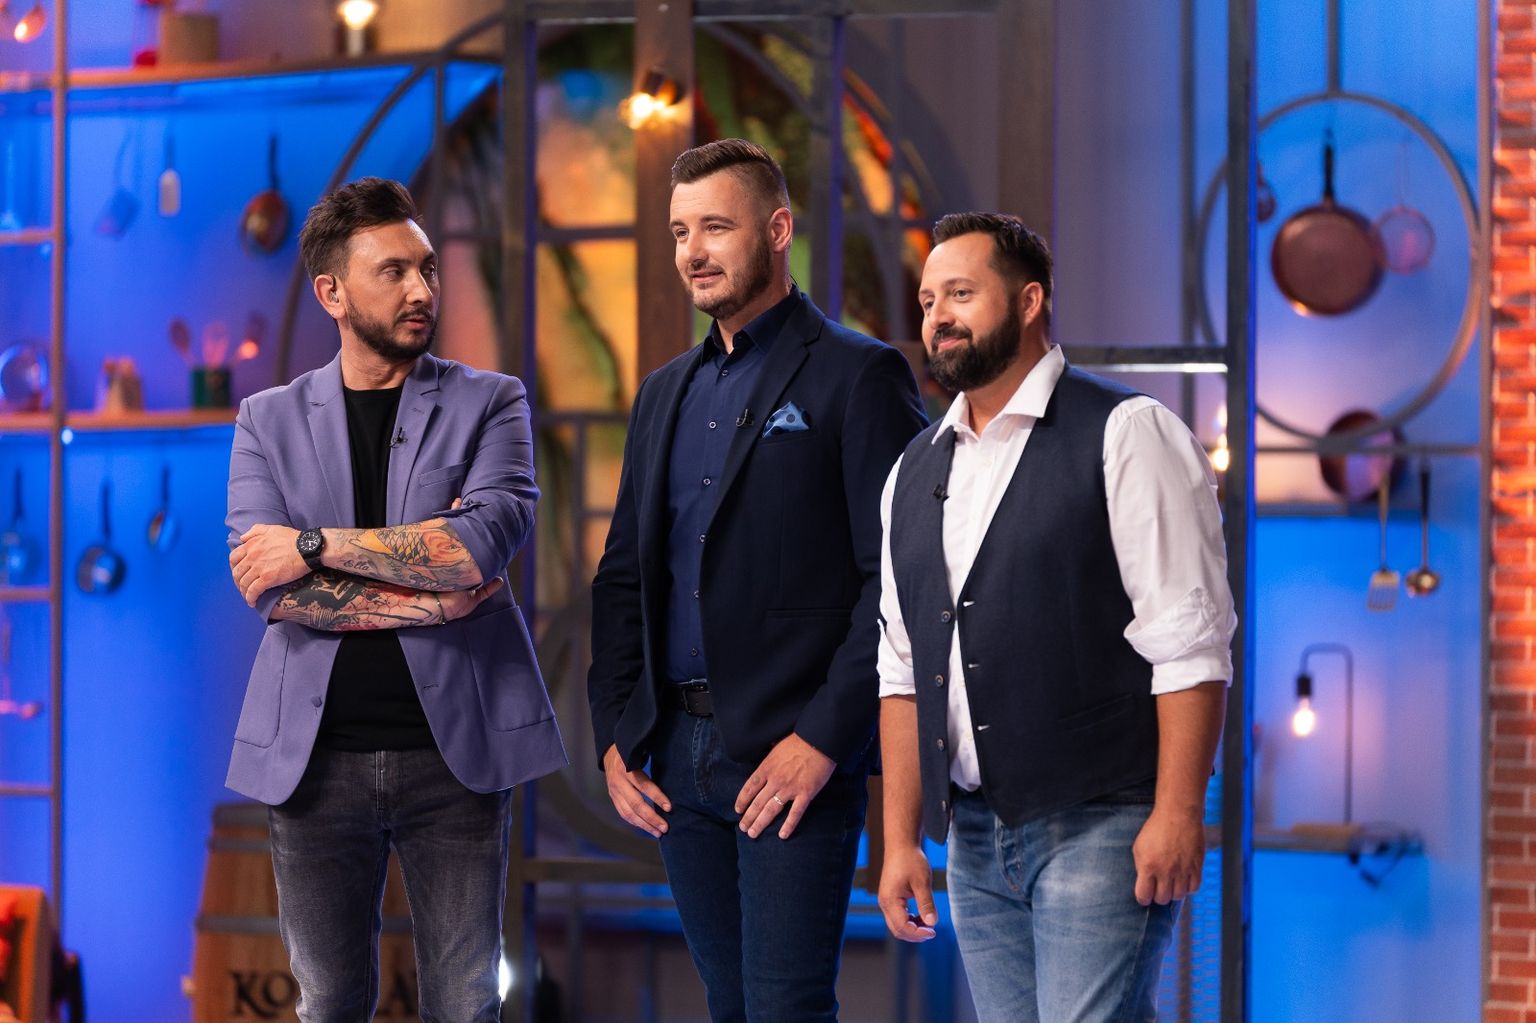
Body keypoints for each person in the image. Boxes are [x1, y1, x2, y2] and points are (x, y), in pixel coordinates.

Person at [587, 138, 926, 1022]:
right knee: (729, 1006)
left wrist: (824, 739)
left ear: (777, 231)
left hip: (791, 754)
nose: (692, 252)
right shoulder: (662, 392)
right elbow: (622, 577)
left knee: (785, 1009)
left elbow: (897, 584)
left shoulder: (860, 374)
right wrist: (615, 735)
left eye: (715, 227)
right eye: (679, 232)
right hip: (675, 757)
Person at [875, 212, 1235, 1022]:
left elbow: (1190, 642)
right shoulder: (912, 470)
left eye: (960, 294)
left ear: (1029, 300)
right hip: (973, 835)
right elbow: (902, 669)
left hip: (1103, 821)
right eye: (928, 301)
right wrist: (899, 841)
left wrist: (1179, 812)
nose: (937, 317)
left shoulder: (1127, 432)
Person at [224, 177, 566, 1023]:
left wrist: (314, 546)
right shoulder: (265, 419)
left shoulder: (493, 401)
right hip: (313, 761)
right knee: (329, 1003)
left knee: (466, 1004)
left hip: (455, 758)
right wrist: (432, 590)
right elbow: (269, 587)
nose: (421, 289)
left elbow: (472, 550)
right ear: (332, 293)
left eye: (427, 268)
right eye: (393, 271)